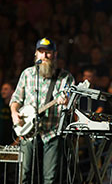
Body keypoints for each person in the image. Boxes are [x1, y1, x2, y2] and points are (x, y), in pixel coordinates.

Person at [10, 37, 75, 184]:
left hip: (52, 133)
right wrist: (15, 114)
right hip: (28, 133)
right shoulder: (27, 74)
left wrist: (65, 103)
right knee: (24, 175)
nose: (44, 56)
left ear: (55, 54)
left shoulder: (65, 78)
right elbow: (16, 100)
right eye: (41, 52)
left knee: (50, 178)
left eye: (48, 53)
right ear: (36, 54)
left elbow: (70, 106)